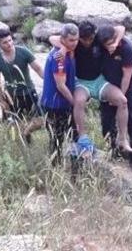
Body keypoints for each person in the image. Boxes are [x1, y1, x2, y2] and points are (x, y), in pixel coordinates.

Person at [49, 21, 128, 151]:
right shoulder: (75, 42)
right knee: (78, 101)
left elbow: (120, 28)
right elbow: (51, 38)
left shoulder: (98, 38)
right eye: (83, 40)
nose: (87, 42)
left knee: (122, 101)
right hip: (81, 82)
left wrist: (115, 43)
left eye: (90, 39)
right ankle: (82, 137)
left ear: (94, 35)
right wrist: (63, 48)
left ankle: (123, 138)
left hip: (99, 80)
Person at [95, 25, 132, 167]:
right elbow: (119, 27)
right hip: (107, 87)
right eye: (107, 45)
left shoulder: (127, 48)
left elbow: (126, 77)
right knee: (107, 125)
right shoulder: (100, 43)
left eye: (112, 43)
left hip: (128, 89)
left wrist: (119, 96)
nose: (110, 47)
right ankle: (113, 152)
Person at [0, 29, 44, 142]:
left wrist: (50, 82)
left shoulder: (23, 52)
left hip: (29, 92)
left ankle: (27, 131)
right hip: (12, 96)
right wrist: (1, 100)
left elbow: (38, 68)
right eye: (5, 42)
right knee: (17, 123)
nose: (9, 44)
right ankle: (26, 144)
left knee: (41, 119)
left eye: (10, 40)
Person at [40, 23, 79, 165]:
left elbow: (53, 37)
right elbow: (61, 86)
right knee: (57, 140)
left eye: (76, 40)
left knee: (75, 135)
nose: (74, 43)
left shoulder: (67, 49)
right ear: (63, 39)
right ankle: (55, 169)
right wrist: (76, 104)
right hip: (55, 105)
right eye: (71, 40)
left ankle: (75, 166)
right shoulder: (59, 58)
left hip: (65, 103)